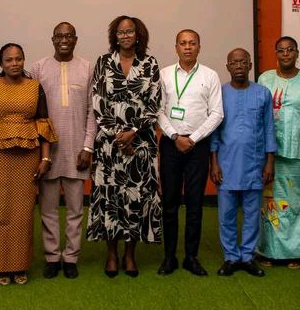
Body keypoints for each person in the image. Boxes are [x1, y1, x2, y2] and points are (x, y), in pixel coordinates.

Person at [0, 43, 57, 285]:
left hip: (28, 157)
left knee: (23, 213)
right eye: (9, 60)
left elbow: (43, 123)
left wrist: (45, 158)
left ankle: (19, 265)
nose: (14, 63)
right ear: (1, 63)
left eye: (18, 59)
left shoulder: (34, 87)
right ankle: (0, 266)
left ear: (24, 60)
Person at [87, 16, 162, 278]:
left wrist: (133, 133)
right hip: (110, 145)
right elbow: (98, 101)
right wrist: (118, 135)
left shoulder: (150, 64)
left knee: (136, 197)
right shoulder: (103, 62)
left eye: (130, 31)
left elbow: (154, 104)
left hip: (141, 144)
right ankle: (111, 253)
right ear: (114, 36)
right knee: (110, 197)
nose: (125, 36)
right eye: (120, 32)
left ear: (138, 35)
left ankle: (130, 254)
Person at [30, 22, 96, 279]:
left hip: (77, 152)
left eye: (69, 36)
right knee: (47, 209)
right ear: (53, 39)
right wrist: (40, 152)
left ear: (76, 39)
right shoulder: (38, 68)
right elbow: (33, 112)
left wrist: (87, 147)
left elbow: (92, 111)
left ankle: (70, 257)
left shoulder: (88, 68)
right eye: (59, 36)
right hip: (47, 152)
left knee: (75, 210)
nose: (64, 40)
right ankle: (51, 256)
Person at [157, 29, 223, 276]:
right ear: (176, 47)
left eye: (192, 43)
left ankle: (191, 257)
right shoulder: (163, 74)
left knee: (195, 203)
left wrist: (192, 139)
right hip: (171, 144)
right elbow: (157, 110)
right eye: (183, 43)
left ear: (199, 47)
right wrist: (175, 137)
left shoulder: (210, 75)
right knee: (170, 203)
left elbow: (217, 113)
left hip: (198, 146)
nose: (187, 47)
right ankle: (169, 257)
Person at [210, 48, 276, 278]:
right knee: (226, 216)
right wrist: (214, 162)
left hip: (254, 165)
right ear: (227, 66)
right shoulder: (219, 93)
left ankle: (247, 257)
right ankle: (230, 257)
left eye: (243, 62)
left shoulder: (263, 93)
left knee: (252, 214)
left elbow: (269, 128)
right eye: (234, 62)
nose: (239, 66)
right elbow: (214, 131)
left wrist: (269, 162)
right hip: (226, 165)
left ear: (250, 65)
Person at [256, 36, 300, 269]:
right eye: (281, 50)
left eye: (290, 50)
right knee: (269, 201)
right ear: (276, 54)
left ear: (297, 53)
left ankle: (295, 252)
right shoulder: (265, 78)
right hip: (269, 150)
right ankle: (268, 251)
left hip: (297, 150)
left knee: (294, 202)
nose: (286, 54)